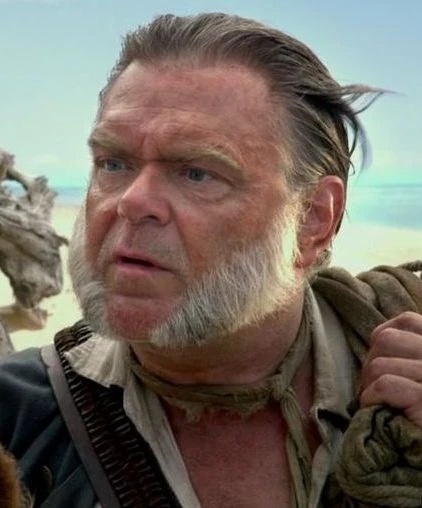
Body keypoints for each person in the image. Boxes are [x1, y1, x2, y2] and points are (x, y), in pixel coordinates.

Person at [1, 12, 422, 508]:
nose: (132, 202)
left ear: (313, 219)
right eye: (113, 164)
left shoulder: (401, 359)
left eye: (197, 173)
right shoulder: (16, 421)